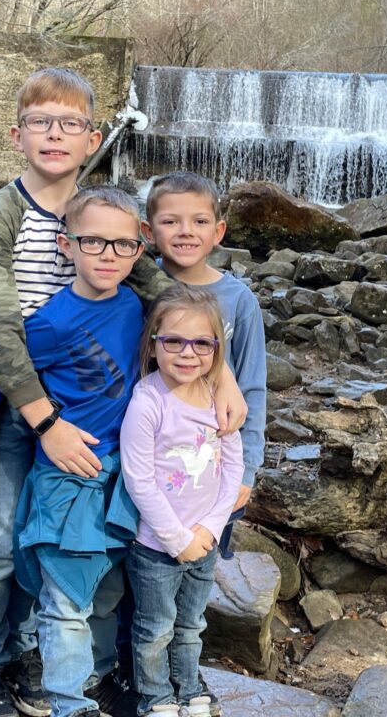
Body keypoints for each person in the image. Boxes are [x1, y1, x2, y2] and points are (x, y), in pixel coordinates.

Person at [0, 68, 244, 717]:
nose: (55, 135)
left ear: (94, 138)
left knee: (70, 544)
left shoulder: (101, 214)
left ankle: (44, 666)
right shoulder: (0, 213)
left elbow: (164, 307)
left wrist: (220, 375)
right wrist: (40, 424)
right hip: (5, 391)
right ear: (16, 134)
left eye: (71, 124)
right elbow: (1, 335)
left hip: (79, 405)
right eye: (41, 123)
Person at [0, 187, 146, 717]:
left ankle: (94, 676)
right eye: (93, 242)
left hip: (116, 471)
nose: (108, 254)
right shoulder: (51, 321)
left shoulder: (134, 303)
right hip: (64, 474)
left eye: (121, 244)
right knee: (54, 581)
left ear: (139, 249)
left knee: (106, 580)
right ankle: (58, 695)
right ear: (66, 246)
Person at [119, 285, 244, 717]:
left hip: (205, 542)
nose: (187, 353)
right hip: (156, 547)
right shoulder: (148, 401)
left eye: (201, 343)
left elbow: (232, 468)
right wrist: (176, 538)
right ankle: (156, 697)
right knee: (154, 628)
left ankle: (189, 687)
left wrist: (210, 528)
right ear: (153, 346)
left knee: (191, 624)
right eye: (173, 341)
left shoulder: (217, 398)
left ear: (216, 349)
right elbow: (138, 478)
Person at [142, 172, 266, 559]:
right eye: (170, 221)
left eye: (199, 221)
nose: (185, 232)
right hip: (151, 458)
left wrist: (247, 467)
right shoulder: (135, 287)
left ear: (219, 231)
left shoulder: (238, 300)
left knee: (201, 562)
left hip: (213, 465)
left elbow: (253, 385)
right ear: (148, 231)